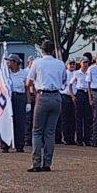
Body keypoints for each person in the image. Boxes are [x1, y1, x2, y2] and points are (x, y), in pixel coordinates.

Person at [25, 40, 65, 172]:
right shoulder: (60, 63)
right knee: (50, 132)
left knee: (37, 131)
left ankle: (36, 163)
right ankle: (47, 162)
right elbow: (64, 79)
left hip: (43, 96)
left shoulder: (37, 63)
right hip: (56, 96)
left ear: (42, 50)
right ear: (52, 50)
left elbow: (29, 82)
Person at [4, 53, 28, 153]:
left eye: (9, 61)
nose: (7, 63)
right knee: (7, 121)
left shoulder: (24, 73)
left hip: (19, 97)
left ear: (14, 62)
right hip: (8, 97)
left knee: (19, 122)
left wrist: (28, 102)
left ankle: (19, 145)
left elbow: (27, 88)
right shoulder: (5, 73)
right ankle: (5, 145)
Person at [71, 57, 91, 145]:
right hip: (80, 93)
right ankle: (79, 139)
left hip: (88, 94)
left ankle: (87, 139)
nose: (85, 64)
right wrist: (73, 95)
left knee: (88, 117)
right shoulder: (76, 73)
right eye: (84, 62)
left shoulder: (89, 72)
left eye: (87, 62)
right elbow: (70, 84)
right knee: (79, 117)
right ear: (80, 63)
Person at [60, 59, 77, 145]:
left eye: (73, 64)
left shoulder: (76, 73)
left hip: (74, 97)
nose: (72, 65)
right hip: (65, 96)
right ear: (67, 65)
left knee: (73, 119)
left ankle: (72, 138)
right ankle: (66, 138)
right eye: (70, 64)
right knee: (65, 119)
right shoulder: (64, 73)